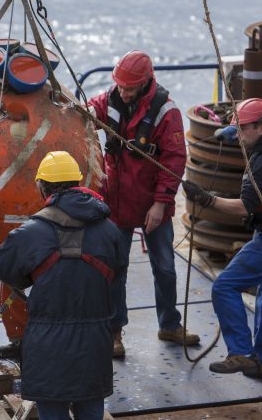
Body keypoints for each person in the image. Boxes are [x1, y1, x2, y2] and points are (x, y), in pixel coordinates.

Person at [182, 98, 262, 383]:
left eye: (242, 129)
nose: (238, 135)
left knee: (225, 286)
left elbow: (245, 206)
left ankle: (240, 352)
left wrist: (208, 199)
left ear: (261, 126)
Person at [0, 151, 128, 420]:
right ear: (79, 183)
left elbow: (5, 270)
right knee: (91, 409)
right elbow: (117, 274)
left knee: (52, 410)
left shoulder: (29, 233)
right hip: (95, 341)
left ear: (43, 187)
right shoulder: (110, 230)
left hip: (48, 344)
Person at [88, 50, 200, 357]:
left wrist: (161, 203)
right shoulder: (108, 101)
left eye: (129, 87)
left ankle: (169, 324)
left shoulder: (166, 112)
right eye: (120, 86)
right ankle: (114, 332)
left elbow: (176, 159)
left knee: (164, 266)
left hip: (153, 203)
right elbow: (84, 113)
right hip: (118, 203)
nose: (123, 91)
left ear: (146, 82)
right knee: (115, 268)